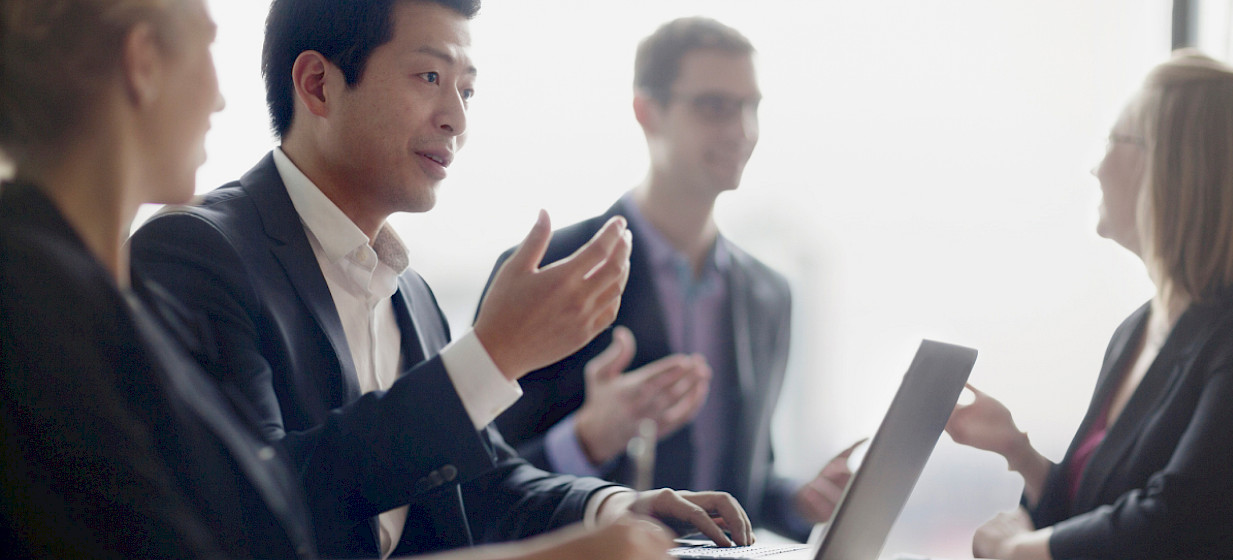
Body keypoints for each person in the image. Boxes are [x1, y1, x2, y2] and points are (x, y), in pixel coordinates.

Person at [0, 0, 683, 559]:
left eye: (467, 90)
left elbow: (475, 481)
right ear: (318, 84)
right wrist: (492, 356)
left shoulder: (412, 293)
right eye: (429, 77)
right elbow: (263, 509)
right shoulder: (189, 253)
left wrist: (614, 506)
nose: (457, 118)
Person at [480, 16, 858, 543]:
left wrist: (797, 501)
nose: (742, 130)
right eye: (714, 106)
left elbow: (742, 485)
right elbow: (475, 486)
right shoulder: (554, 268)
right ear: (647, 111)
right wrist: (587, 438)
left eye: (750, 107)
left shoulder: (769, 295)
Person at [945, 50, 1233, 560]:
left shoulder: (1229, 338)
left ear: (1170, 166)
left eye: (1113, 141)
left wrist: (1016, 549)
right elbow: (1091, 513)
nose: (1096, 167)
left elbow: (1176, 520)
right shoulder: (1137, 330)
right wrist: (1018, 451)